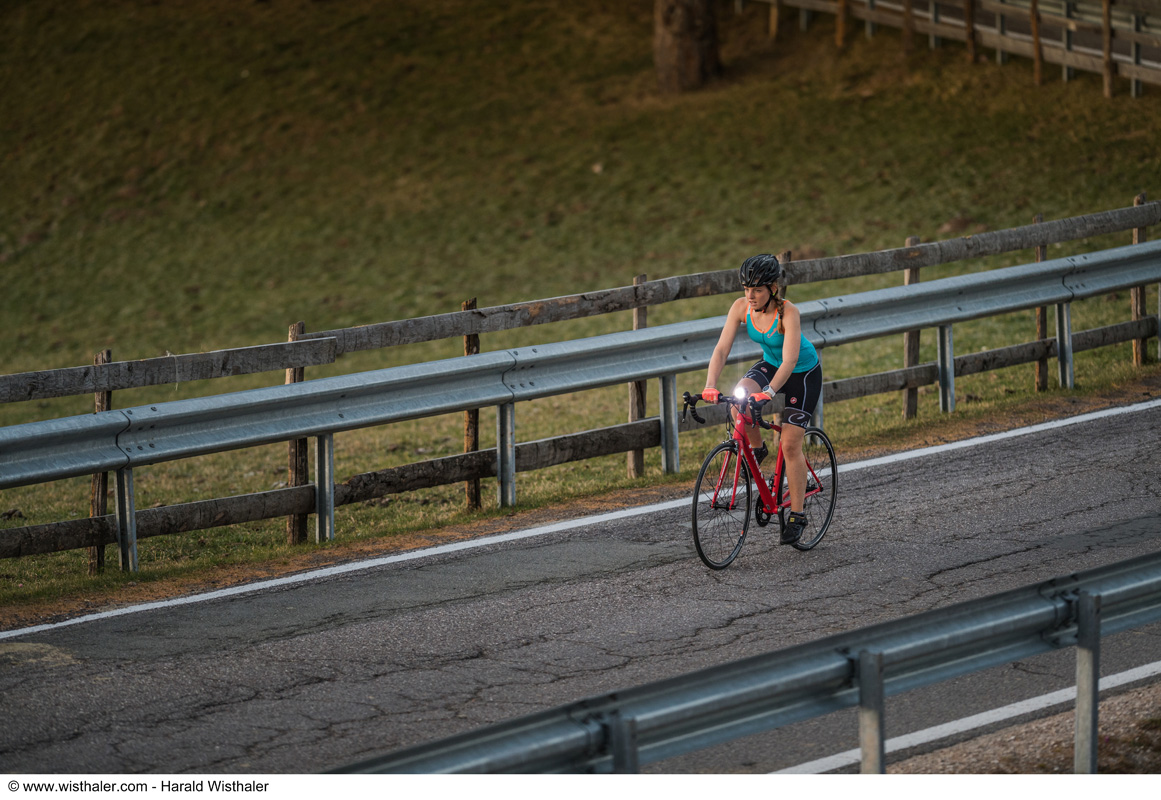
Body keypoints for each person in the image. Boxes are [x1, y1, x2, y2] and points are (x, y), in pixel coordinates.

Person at [701, 254, 822, 546]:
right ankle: (757, 449)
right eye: (746, 288)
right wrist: (710, 384)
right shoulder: (741, 308)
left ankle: (797, 514)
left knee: (791, 443)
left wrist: (768, 393)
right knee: (737, 401)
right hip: (771, 363)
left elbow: (791, 359)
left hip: (801, 372)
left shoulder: (788, 313)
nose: (750, 295)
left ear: (772, 288)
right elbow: (721, 350)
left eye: (756, 289)